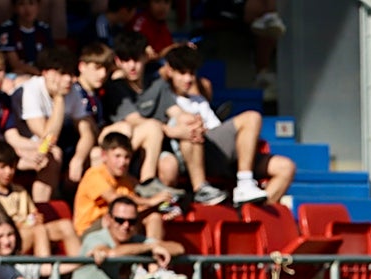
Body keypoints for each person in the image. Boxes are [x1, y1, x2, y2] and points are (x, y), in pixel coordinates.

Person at [137, 44, 295, 206]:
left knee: (286, 167)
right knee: (251, 117)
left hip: (221, 151)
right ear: (169, 71)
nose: (188, 79)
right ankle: (244, 183)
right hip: (197, 152)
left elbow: (215, 127)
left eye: (191, 73)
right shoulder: (164, 95)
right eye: (182, 73)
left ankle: (251, 211)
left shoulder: (198, 99)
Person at [0, 46, 60, 202]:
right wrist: (17, 152)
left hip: (3, 148)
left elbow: (13, 136)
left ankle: (41, 205)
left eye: (0, 70)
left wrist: (38, 146)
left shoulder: (4, 99)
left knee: (52, 155)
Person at [100, 31, 180, 192]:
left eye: (136, 59)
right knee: (152, 127)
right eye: (125, 60)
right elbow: (134, 120)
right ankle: (147, 182)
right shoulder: (115, 87)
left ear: (145, 57)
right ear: (117, 61)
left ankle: (165, 205)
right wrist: (168, 129)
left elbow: (176, 111)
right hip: (127, 147)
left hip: (155, 148)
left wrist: (191, 123)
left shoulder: (157, 83)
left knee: (170, 166)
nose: (131, 66)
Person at [0, 138, 80, 256]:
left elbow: (33, 214)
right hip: (6, 239)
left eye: (11, 167)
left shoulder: (20, 191)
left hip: (29, 231)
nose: (8, 172)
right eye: (2, 167)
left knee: (66, 226)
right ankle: (45, 270)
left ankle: (82, 269)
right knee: (39, 231)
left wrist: (37, 218)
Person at [73, 131, 179, 240]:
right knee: (115, 220)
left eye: (127, 157)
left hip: (121, 224)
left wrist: (162, 208)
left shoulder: (128, 180)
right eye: (117, 156)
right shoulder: (94, 175)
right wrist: (150, 201)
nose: (123, 162)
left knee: (153, 217)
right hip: (90, 231)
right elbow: (115, 199)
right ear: (104, 156)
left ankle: (154, 251)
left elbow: (137, 208)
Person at [72, 194, 187, 279]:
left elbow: (179, 248)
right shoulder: (95, 238)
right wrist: (150, 247)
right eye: (120, 220)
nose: (126, 226)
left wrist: (151, 247)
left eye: (132, 221)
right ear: (108, 220)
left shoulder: (136, 240)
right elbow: (111, 253)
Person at [14, 45, 74, 201]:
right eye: (62, 73)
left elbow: (88, 128)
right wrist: (59, 99)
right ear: (47, 73)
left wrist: (79, 158)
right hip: (20, 143)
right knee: (53, 154)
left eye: (70, 73)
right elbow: (46, 136)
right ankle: (44, 207)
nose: (68, 79)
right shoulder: (31, 90)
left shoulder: (72, 89)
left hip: (46, 143)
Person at [0, 213, 91, 279]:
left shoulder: (18, 259)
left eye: (10, 235)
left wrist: (85, 260)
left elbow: (47, 268)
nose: (6, 241)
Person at [64, 41, 113, 184]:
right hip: (71, 152)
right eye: (97, 68)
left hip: (87, 150)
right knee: (101, 155)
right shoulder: (72, 91)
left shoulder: (97, 96)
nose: (103, 74)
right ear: (82, 66)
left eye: (106, 69)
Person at [0, 0, 53, 78]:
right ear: (14, 8)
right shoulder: (7, 29)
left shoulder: (44, 29)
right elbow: (15, 64)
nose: (27, 9)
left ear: (38, 7)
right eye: (21, 4)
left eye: (31, 3)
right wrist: (40, 73)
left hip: (42, 73)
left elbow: (50, 57)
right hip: (17, 75)